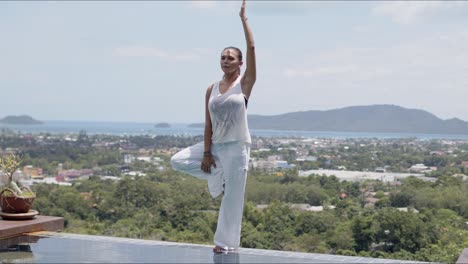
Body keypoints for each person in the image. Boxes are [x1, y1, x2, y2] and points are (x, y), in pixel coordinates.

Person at [170, 0, 256, 254]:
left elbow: (251, 46)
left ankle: (225, 243)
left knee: (232, 200)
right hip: (216, 147)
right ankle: (219, 176)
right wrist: (207, 152)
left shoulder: (245, 84)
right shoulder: (211, 88)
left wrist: (243, 19)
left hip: (237, 148)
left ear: (240, 63)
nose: (225, 61)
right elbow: (208, 123)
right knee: (178, 160)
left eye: (230, 58)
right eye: (222, 57)